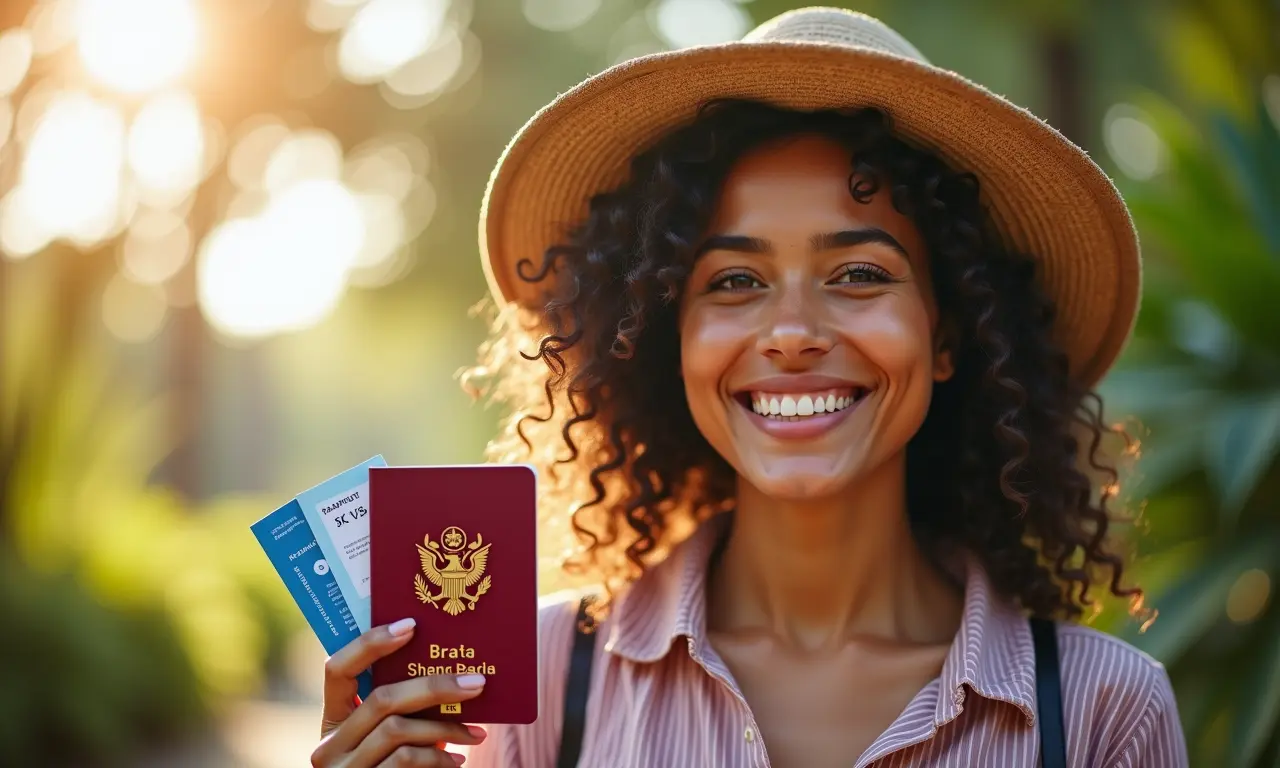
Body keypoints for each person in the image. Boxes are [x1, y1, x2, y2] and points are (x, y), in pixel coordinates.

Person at [310, 8, 1190, 767]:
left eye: (858, 273)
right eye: (733, 282)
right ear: (670, 338)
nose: (795, 334)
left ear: (949, 332)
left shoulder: (1101, 713)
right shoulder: (533, 682)